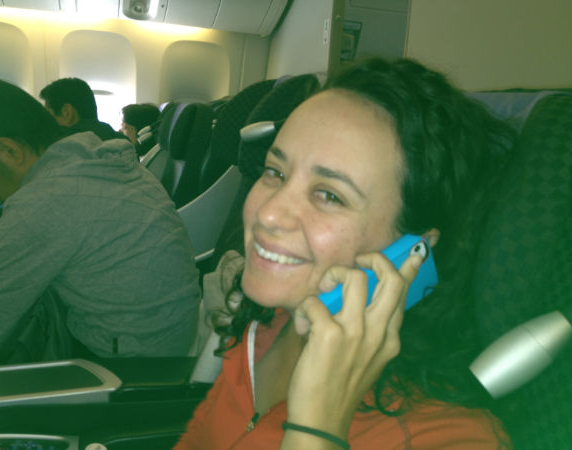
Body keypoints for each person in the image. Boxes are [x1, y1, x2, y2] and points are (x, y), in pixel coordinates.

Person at [174, 57, 516, 449]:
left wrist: (317, 430)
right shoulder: (269, 320)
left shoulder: (450, 437)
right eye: (275, 172)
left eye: (330, 195)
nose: (267, 213)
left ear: (414, 250)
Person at [0, 76, 201, 366]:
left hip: (128, 367)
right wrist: (13, 248)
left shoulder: (39, 203)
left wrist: (13, 244)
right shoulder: (97, 159)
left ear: (9, 151)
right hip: (169, 337)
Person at [40, 77, 127, 142]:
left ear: (66, 112)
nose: (47, 123)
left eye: (49, 115)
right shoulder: (122, 142)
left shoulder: (64, 147)